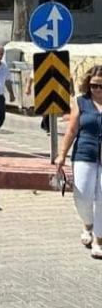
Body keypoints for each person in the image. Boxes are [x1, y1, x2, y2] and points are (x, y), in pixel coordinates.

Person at [55, 66, 102, 259]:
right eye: (94, 85)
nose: (97, 89)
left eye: (101, 86)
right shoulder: (81, 102)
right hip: (84, 152)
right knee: (82, 195)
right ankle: (88, 225)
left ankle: (99, 240)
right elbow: (72, 130)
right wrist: (61, 155)